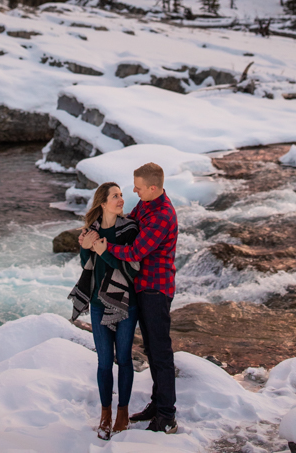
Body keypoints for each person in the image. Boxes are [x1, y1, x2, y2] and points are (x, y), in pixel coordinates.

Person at [94, 162, 178, 435]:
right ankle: (157, 404)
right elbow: (128, 220)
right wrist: (98, 227)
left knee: (161, 353)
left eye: (139, 187)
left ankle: (167, 416)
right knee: (152, 351)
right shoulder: (146, 205)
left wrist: (105, 247)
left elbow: (135, 252)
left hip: (156, 289)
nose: (134, 191)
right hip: (141, 288)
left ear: (153, 188)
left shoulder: (162, 215)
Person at [68, 182, 139, 440]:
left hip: (126, 303)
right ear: (102, 202)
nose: (121, 199)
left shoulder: (130, 229)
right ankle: (105, 414)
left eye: (121, 195)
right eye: (115, 196)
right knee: (104, 362)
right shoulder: (92, 230)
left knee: (124, 358)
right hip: (99, 305)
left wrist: (105, 251)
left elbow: (132, 270)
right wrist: (84, 247)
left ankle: (123, 413)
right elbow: (86, 265)